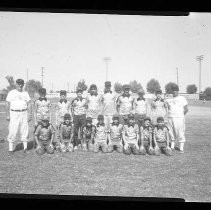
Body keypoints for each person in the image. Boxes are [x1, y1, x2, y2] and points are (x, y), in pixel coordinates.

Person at [5, 78, 32, 154]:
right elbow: (7, 103)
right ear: (16, 84)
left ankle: (25, 148)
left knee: (24, 130)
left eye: (21, 84)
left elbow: (29, 104)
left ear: (23, 85)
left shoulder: (25, 93)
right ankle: (11, 149)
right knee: (12, 130)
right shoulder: (11, 93)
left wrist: (29, 114)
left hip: (24, 112)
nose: (20, 85)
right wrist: (7, 114)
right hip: (14, 113)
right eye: (18, 84)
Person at [165, 85, 188, 153]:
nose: (174, 92)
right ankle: (172, 146)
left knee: (180, 132)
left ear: (178, 91)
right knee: (171, 132)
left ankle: (181, 148)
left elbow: (186, 109)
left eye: (175, 90)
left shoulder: (182, 98)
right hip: (170, 117)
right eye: (173, 90)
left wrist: (181, 115)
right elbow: (167, 107)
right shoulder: (169, 99)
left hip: (179, 118)